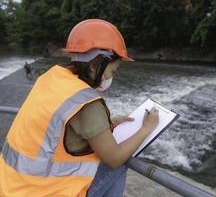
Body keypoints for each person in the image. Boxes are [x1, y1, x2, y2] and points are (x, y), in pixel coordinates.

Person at [0, 19, 159, 197]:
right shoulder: (86, 102)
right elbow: (114, 158)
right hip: (43, 192)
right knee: (120, 165)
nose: (111, 77)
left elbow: (56, 127)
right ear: (95, 65)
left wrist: (109, 124)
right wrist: (146, 128)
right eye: (112, 71)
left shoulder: (51, 78)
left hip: (11, 186)